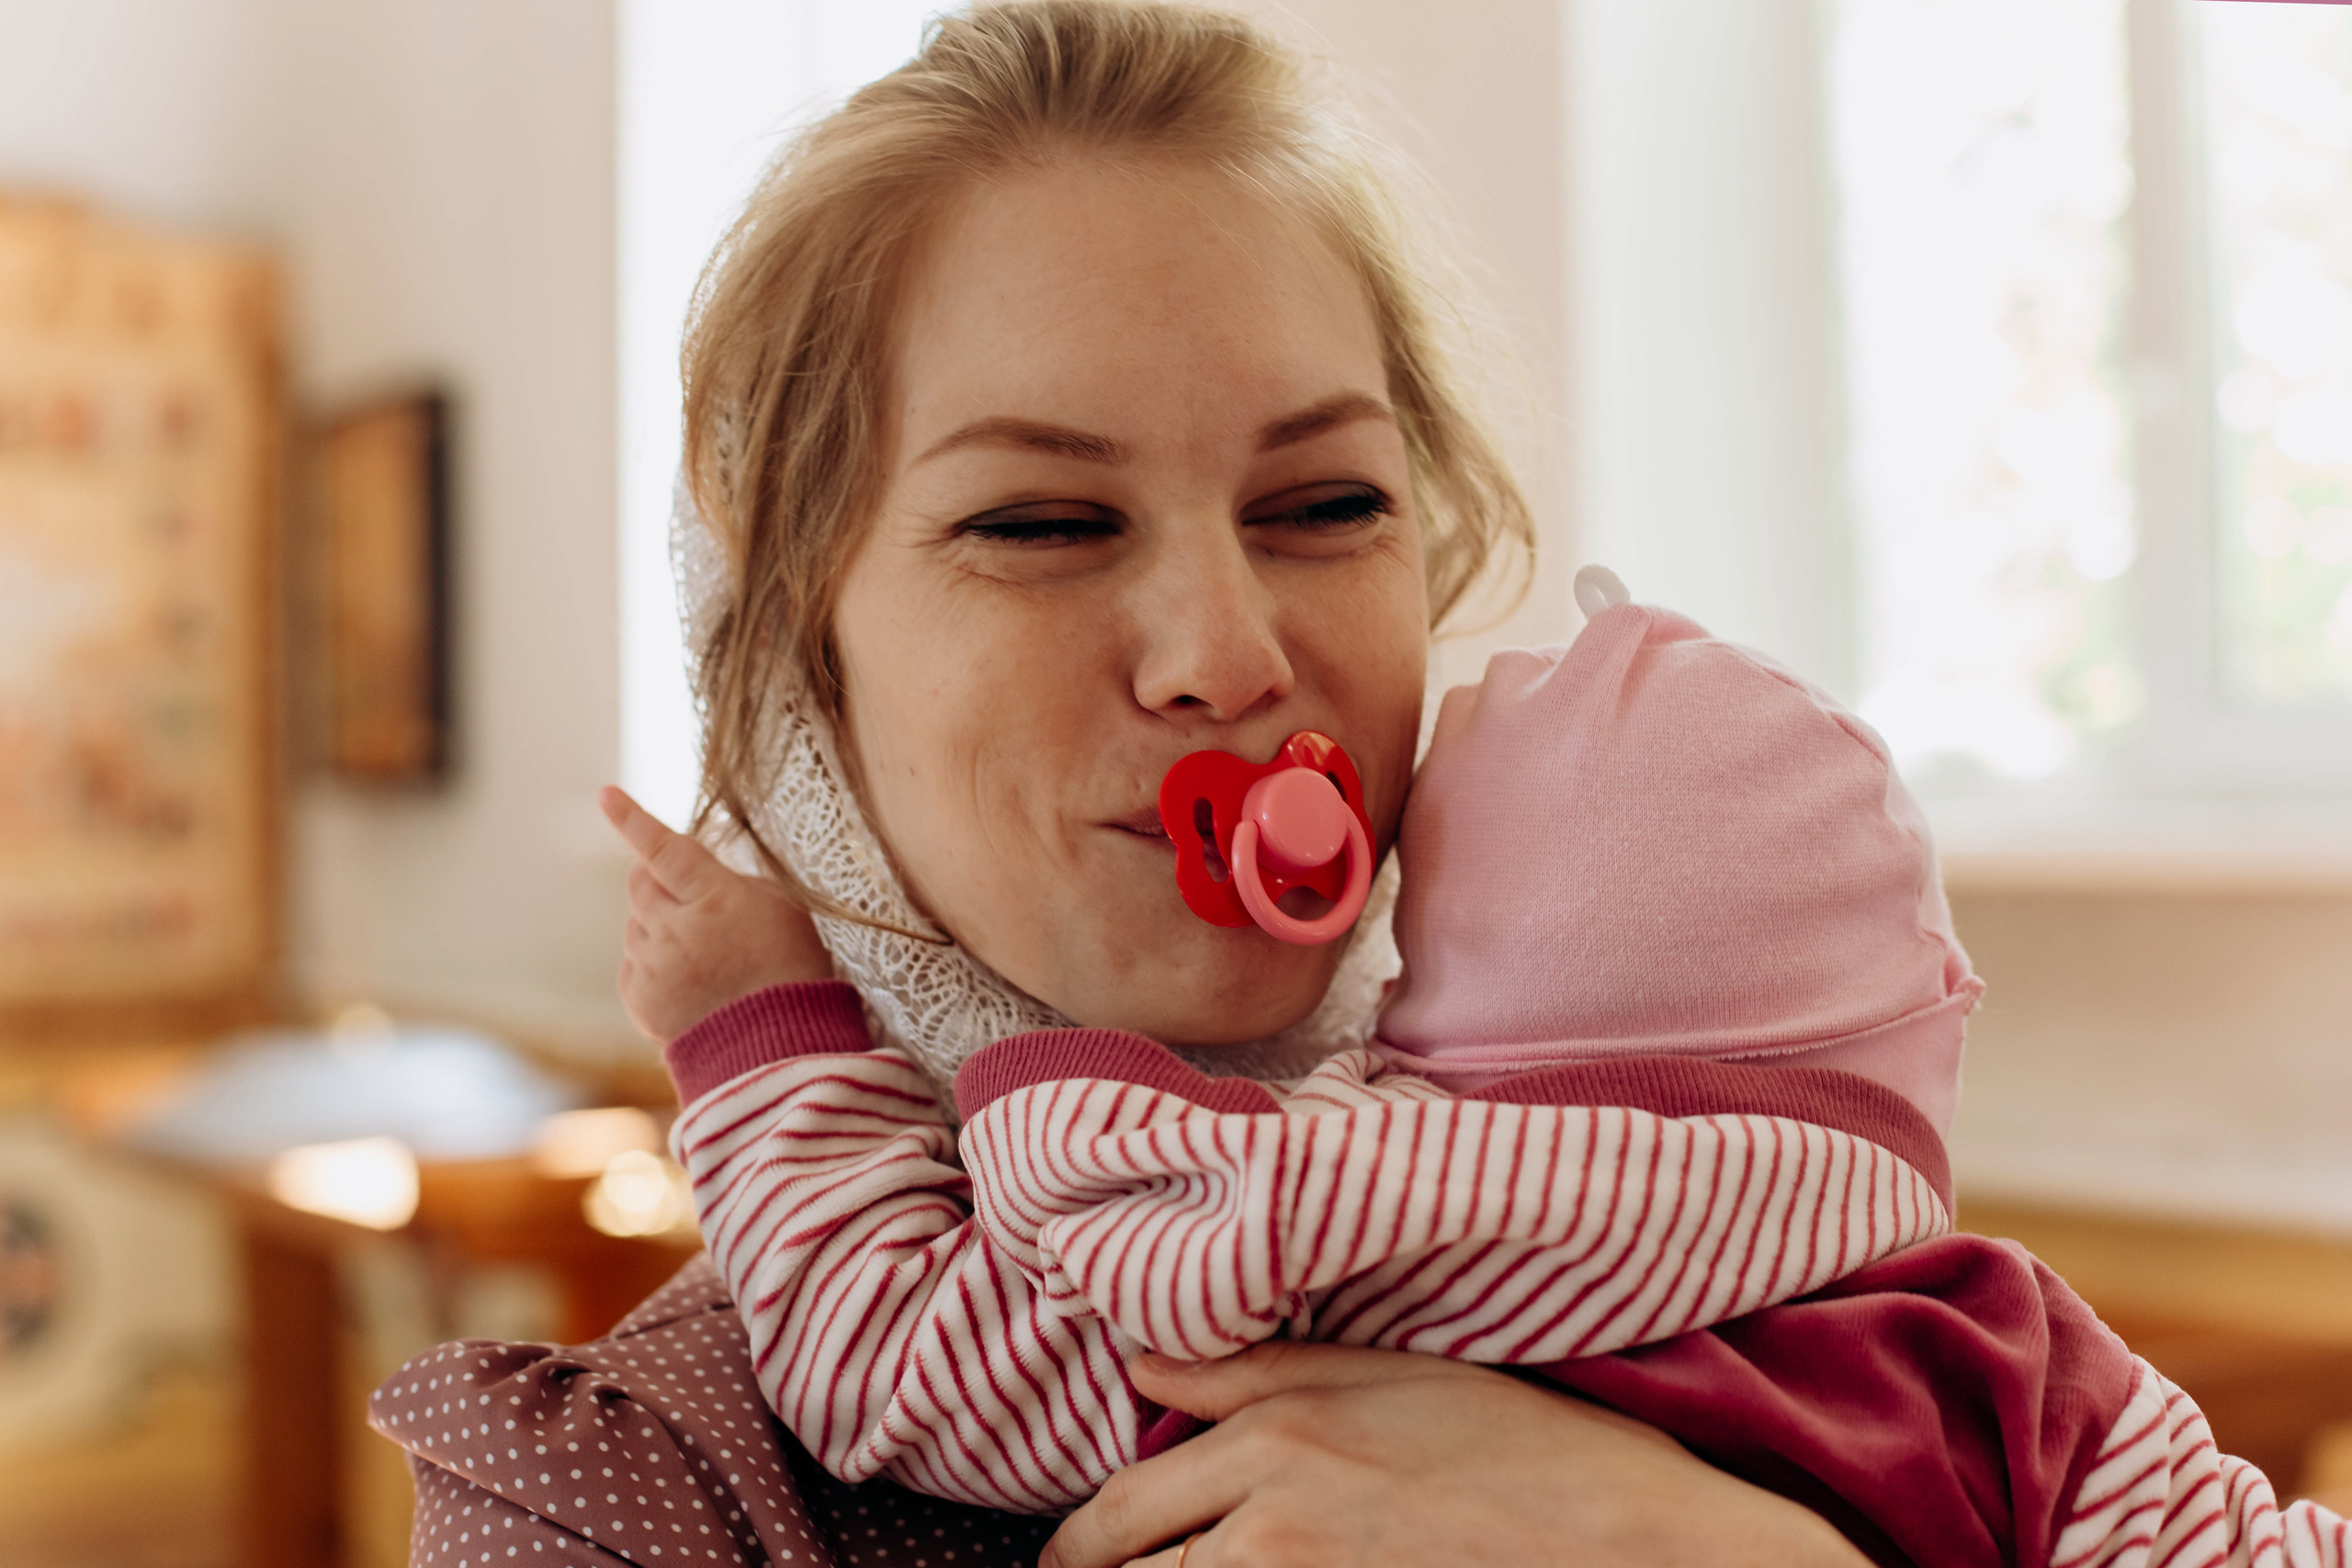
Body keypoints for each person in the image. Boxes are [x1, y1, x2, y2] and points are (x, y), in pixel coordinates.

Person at [365, 5, 2071, 1565]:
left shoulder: (1822, 1261)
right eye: (1040, 524)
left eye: (1325, 506)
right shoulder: (635, 1501)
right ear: (797, 656)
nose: (1227, 653)